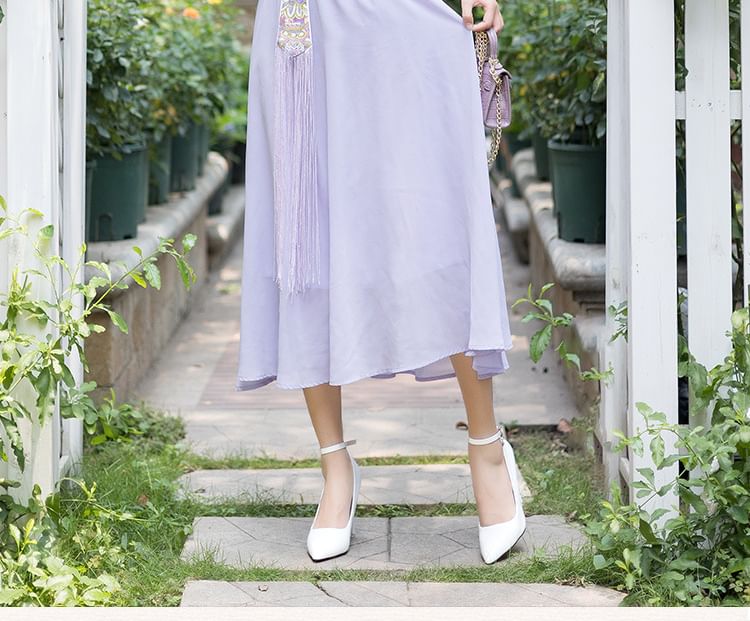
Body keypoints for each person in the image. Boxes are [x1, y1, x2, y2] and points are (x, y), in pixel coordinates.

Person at [235, 0, 525, 564]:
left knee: (438, 220)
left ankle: (488, 449)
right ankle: (335, 467)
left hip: (397, 17)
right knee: (308, 233)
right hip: (302, 27)